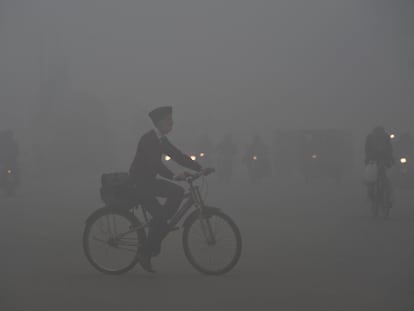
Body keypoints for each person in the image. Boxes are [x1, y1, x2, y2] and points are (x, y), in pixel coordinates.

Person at [129, 106, 203, 272]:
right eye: (169, 121)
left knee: (176, 192)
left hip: (149, 182)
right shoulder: (148, 139)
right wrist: (174, 175)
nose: (172, 123)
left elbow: (178, 155)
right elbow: (154, 164)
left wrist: (199, 167)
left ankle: (159, 226)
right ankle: (144, 252)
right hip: (139, 183)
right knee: (161, 216)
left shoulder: (161, 139)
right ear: (160, 123)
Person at [364, 126, 394, 207]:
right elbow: (367, 149)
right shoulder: (370, 138)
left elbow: (390, 149)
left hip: (384, 159)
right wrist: (368, 159)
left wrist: (391, 159)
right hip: (373, 159)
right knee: (372, 178)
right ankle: (372, 193)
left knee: (386, 178)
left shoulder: (386, 138)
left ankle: (388, 196)